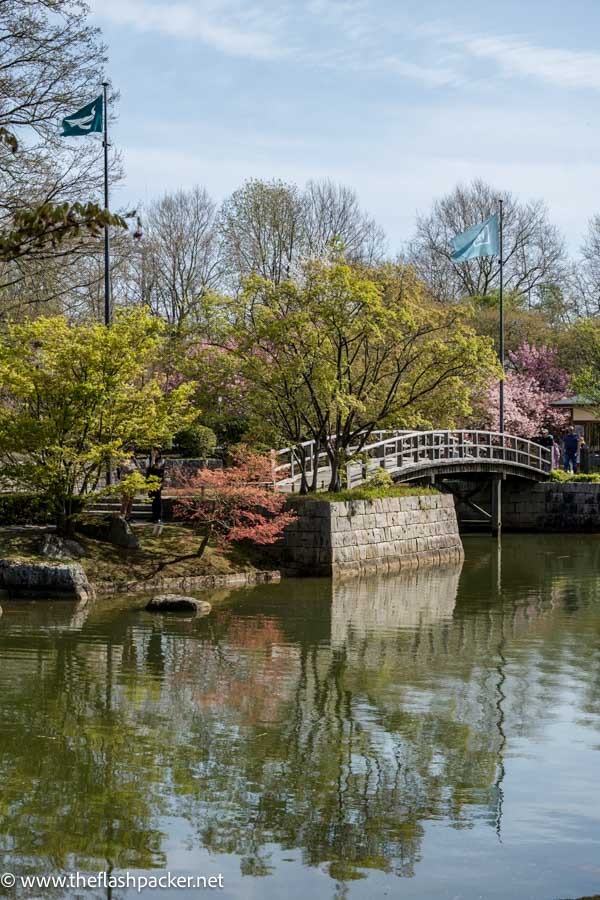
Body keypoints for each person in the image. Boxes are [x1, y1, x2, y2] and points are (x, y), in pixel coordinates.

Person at [118, 450, 140, 519]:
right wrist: (134, 468)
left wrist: (135, 461)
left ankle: (128, 516)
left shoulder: (133, 460)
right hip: (125, 481)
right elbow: (127, 469)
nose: (132, 453)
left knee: (131, 499)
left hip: (133, 481)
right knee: (125, 499)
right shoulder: (123, 459)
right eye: (130, 451)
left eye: (133, 451)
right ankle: (122, 515)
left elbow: (139, 467)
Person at [146, 450, 166, 522]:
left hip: (158, 482)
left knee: (157, 499)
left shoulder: (161, 460)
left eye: (155, 451)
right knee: (152, 499)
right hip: (150, 482)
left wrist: (154, 459)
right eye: (152, 451)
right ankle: (153, 516)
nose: (153, 452)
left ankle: (158, 517)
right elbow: (149, 468)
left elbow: (155, 467)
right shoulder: (148, 459)